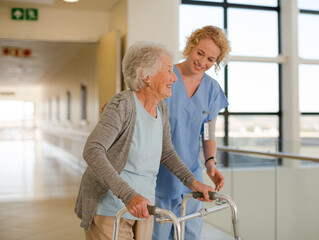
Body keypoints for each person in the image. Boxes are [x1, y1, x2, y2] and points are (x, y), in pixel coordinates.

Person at [74, 41, 214, 240]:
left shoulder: (161, 107)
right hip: (112, 208)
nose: (174, 77)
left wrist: (192, 182)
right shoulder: (123, 104)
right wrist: (129, 195)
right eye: (168, 70)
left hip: (144, 206)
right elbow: (92, 149)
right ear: (146, 76)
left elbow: (166, 152)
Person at [153, 25, 231, 240]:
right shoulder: (165, 77)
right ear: (190, 46)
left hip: (192, 176)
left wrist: (211, 163)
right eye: (200, 53)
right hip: (160, 174)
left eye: (211, 60)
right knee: (158, 235)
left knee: (190, 234)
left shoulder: (212, 89)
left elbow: (208, 134)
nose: (202, 62)